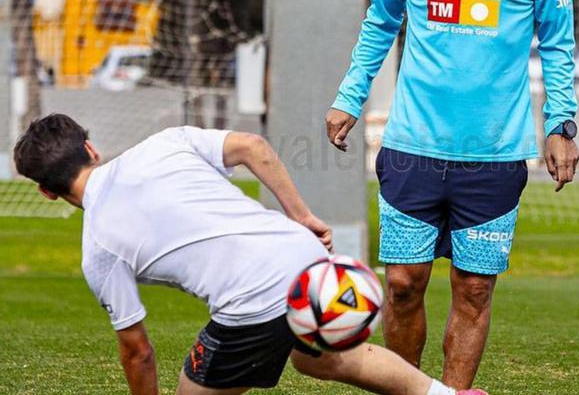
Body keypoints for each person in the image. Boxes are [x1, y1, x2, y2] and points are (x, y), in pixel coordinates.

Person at [13, 114, 488, 395]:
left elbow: (138, 353)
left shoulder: (98, 248)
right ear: (91, 149)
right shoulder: (163, 144)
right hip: (306, 259)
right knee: (319, 359)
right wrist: (301, 215)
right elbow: (252, 146)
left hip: (252, 307)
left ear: (46, 192)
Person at [325, 0, 579, 389]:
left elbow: (557, 38)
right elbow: (381, 19)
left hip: (495, 152)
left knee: (475, 289)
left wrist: (560, 121)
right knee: (401, 286)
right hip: (413, 145)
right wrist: (350, 95)